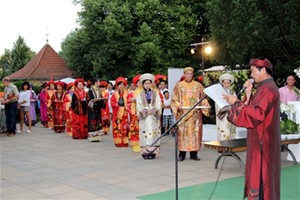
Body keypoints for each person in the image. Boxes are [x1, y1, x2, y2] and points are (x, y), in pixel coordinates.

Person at [224, 58, 280, 200]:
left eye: (253, 71)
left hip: (263, 142)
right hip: (260, 139)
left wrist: (236, 102)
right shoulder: (263, 87)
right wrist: (248, 95)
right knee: (259, 178)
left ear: (263, 70)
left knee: (262, 180)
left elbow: (258, 114)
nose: (251, 74)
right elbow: (255, 110)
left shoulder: (268, 89)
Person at [171, 67, 210, 161]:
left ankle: (194, 154)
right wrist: (178, 105)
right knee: (182, 134)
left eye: (191, 74)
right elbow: (174, 99)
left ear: (193, 75)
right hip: (183, 114)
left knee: (195, 134)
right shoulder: (179, 86)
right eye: (187, 74)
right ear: (184, 74)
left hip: (195, 115)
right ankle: (182, 154)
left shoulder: (198, 85)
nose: (189, 75)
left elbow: (203, 98)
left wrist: (205, 104)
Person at [136, 73, 162, 159]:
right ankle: (145, 152)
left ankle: (153, 152)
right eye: (145, 83)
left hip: (153, 117)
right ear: (143, 84)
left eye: (149, 83)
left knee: (153, 134)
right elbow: (138, 105)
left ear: (151, 84)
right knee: (144, 134)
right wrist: (145, 111)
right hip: (145, 118)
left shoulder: (155, 93)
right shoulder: (139, 94)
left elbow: (159, 104)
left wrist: (153, 110)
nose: (147, 85)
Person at [215, 73, 236, 140]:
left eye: (228, 83)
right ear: (222, 83)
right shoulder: (219, 92)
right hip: (223, 114)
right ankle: (222, 145)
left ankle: (230, 145)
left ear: (230, 83)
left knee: (231, 129)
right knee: (223, 129)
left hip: (231, 114)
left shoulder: (232, 92)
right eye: (225, 83)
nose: (226, 84)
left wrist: (232, 108)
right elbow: (217, 103)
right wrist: (225, 108)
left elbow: (236, 101)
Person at [110, 77, 129, 147]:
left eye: (122, 84)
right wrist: (117, 106)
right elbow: (112, 103)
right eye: (120, 85)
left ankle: (125, 141)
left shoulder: (127, 93)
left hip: (125, 114)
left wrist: (126, 106)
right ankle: (118, 141)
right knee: (118, 127)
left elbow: (129, 101)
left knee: (124, 127)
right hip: (117, 114)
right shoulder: (114, 94)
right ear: (117, 86)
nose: (121, 86)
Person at [127, 74, 142, 152]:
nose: (140, 84)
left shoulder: (144, 92)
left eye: (141, 82)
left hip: (143, 113)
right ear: (136, 83)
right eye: (139, 82)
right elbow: (128, 101)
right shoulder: (132, 93)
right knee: (135, 129)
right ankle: (135, 144)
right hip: (134, 113)